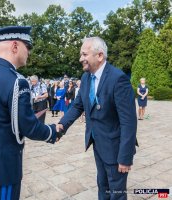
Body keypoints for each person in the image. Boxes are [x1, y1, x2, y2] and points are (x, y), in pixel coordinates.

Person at [0, 26, 62, 200]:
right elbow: (28, 127)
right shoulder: (17, 81)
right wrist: (52, 131)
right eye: (27, 46)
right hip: (3, 167)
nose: (29, 52)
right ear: (14, 46)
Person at [56, 37, 138, 199]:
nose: (81, 59)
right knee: (103, 185)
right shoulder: (86, 77)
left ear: (100, 56)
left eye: (84, 54)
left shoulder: (118, 79)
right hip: (97, 144)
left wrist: (125, 157)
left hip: (115, 147)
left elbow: (129, 122)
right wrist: (61, 125)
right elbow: (78, 106)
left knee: (117, 192)